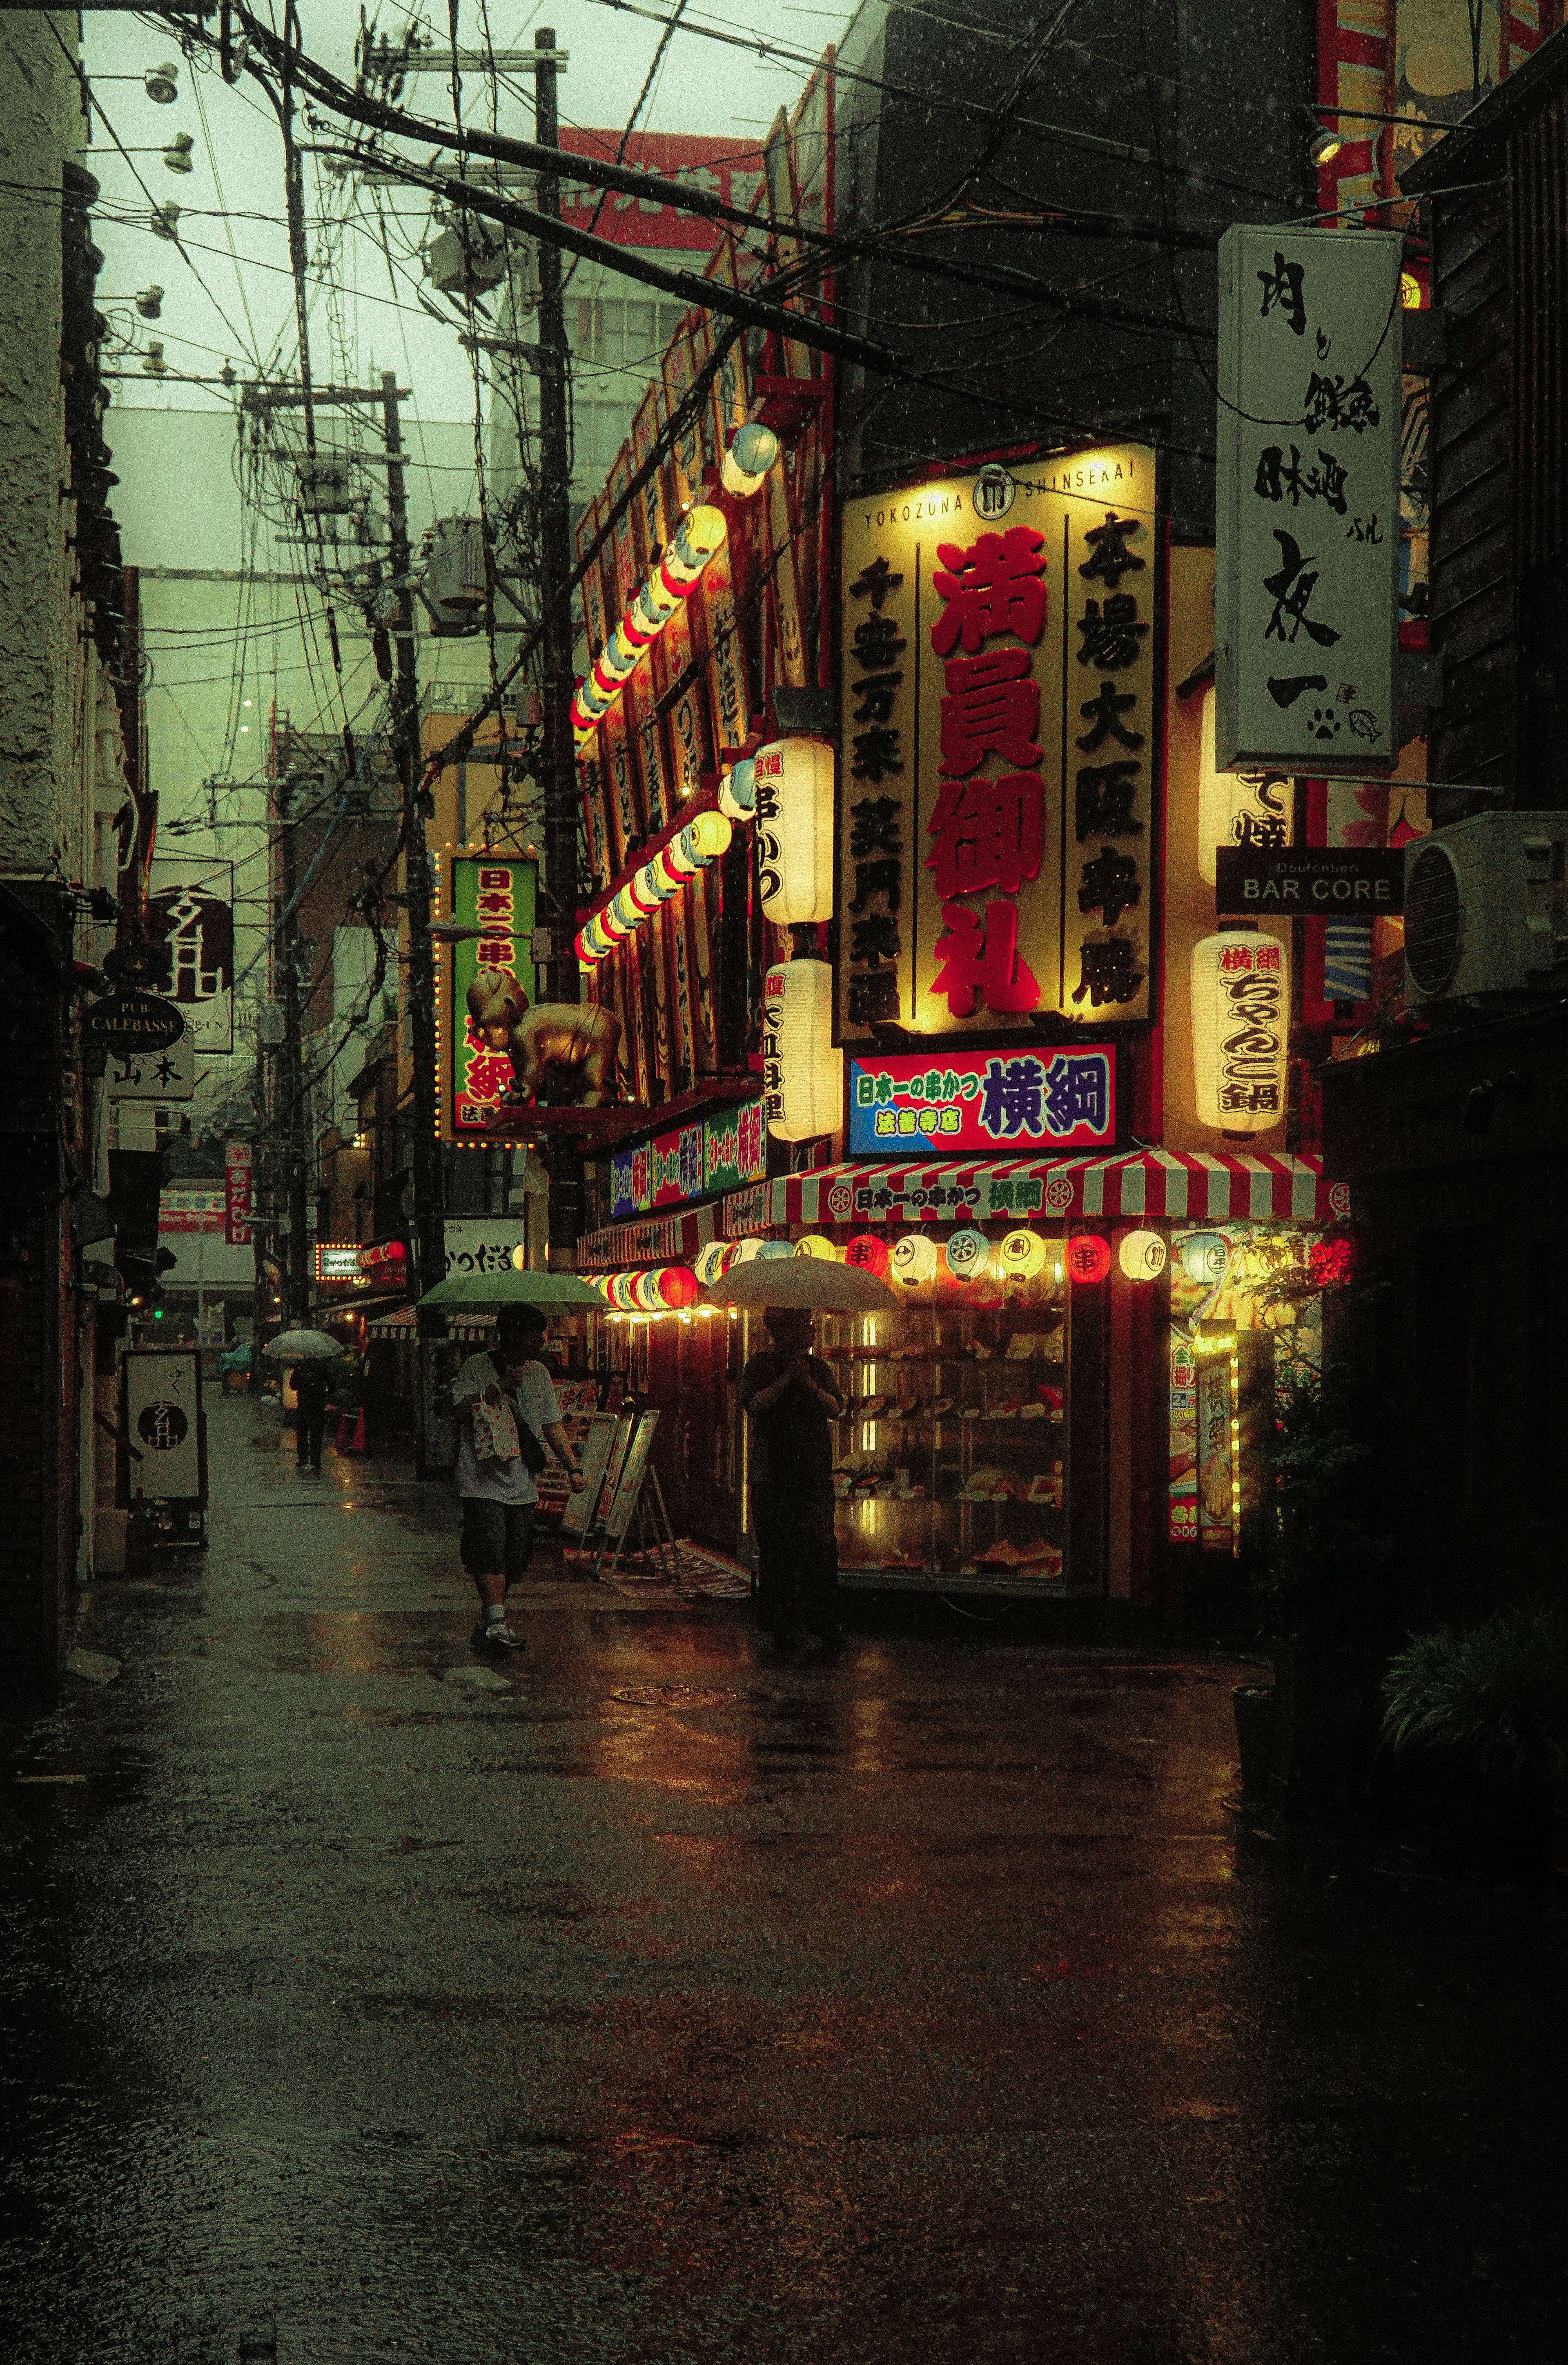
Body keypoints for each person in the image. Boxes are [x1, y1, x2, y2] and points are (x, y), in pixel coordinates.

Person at [452, 1303, 586, 1651]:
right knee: (489, 1550)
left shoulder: (540, 1373)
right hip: (481, 1480)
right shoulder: (476, 1367)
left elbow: (551, 1425)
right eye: (533, 1338)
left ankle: (488, 1621)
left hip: (522, 1482)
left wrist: (573, 1468)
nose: (539, 1345)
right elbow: (460, 1411)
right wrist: (498, 1387)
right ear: (512, 1336)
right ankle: (498, 1622)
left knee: (514, 1557)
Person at [739, 1306, 845, 1646]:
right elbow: (754, 1405)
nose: (813, 1331)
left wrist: (810, 1384)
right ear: (785, 1333)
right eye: (806, 1325)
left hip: (813, 1476)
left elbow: (836, 1409)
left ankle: (822, 1621)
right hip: (772, 1476)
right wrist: (787, 1380)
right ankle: (779, 1622)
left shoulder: (819, 1368)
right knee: (778, 1551)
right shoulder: (760, 1366)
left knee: (821, 1549)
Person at [291, 1358, 330, 1472]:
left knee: (302, 1432)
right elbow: (332, 1383)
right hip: (318, 1406)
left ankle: (303, 1457)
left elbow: (293, 1386)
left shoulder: (300, 1367)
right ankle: (316, 1461)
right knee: (317, 1435)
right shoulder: (322, 1366)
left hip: (303, 1404)